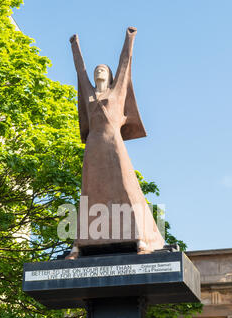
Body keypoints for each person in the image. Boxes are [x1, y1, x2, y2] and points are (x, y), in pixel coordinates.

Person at [67, 27, 164, 259]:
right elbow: (80, 72)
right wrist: (75, 47)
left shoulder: (117, 92)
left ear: (109, 76)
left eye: (103, 69)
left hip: (114, 146)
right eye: (96, 69)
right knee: (89, 194)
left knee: (126, 189)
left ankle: (141, 239)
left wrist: (129, 39)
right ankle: (78, 246)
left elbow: (124, 65)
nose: (99, 69)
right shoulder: (89, 94)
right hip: (93, 148)